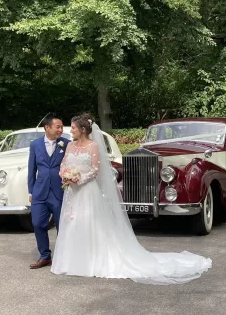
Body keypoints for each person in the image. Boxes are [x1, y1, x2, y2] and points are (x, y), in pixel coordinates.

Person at [51, 113, 212, 285]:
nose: (71, 131)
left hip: (87, 190)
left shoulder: (93, 146)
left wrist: (78, 179)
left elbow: (94, 171)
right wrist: (65, 175)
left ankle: (91, 262)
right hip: (72, 192)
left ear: (83, 130)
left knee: (90, 222)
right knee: (73, 222)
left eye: (73, 128)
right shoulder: (69, 146)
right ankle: (72, 262)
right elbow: (64, 164)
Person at [27, 113, 70, 269]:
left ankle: (62, 256)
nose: (60, 129)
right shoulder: (35, 145)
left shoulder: (67, 144)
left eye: (61, 127)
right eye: (58, 126)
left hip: (59, 192)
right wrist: (31, 191)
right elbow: (31, 170)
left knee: (62, 226)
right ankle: (45, 256)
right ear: (47, 127)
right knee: (37, 223)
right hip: (39, 192)